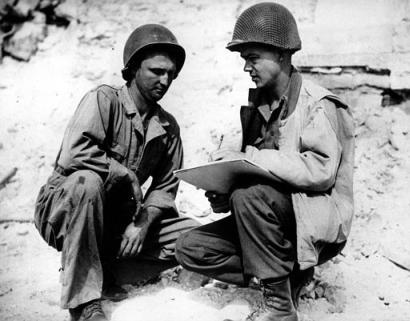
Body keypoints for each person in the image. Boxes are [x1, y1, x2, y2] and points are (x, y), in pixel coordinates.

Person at [175, 3, 354, 321]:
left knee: (250, 195)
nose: (246, 67)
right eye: (244, 59)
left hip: (315, 224)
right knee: (190, 247)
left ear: (282, 54)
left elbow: (321, 170)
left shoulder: (318, 104)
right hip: (276, 221)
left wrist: (253, 160)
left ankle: (280, 307)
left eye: (253, 57)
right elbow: (258, 181)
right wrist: (223, 191)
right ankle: (288, 277)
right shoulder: (259, 106)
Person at [34, 24, 199, 321]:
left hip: (117, 221)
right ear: (134, 68)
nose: (165, 80)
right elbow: (75, 153)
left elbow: (166, 187)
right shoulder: (104, 100)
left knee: (191, 235)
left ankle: (108, 271)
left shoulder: (168, 127)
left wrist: (143, 224)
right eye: (156, 71)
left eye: (171, 74)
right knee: (87, 182)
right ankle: (84, 303)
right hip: (64, 207)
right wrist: (124, 173)